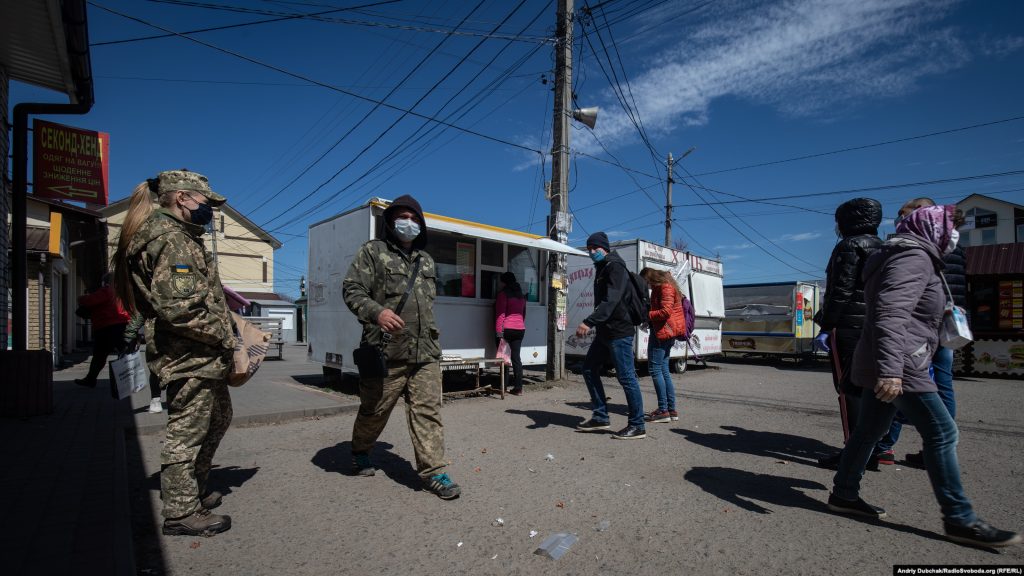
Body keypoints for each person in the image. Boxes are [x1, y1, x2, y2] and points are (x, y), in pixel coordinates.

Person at [827, 204, 1020, 548]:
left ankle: (844, 494)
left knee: (869, 431)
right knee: (943, 433)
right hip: (901, 363)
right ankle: (959, 519)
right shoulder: (912, 257)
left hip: (888, 358)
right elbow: (890, 312)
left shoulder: (903, 254)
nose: (954, 235)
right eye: (951, 227)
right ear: (933, 228)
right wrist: (891, 371)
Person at [113, 169, 236, 537]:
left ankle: (192, 490)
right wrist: (228, 337)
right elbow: (180, 310)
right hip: (189, 355)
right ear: (182, 198)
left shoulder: (180, 236)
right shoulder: (171, 239)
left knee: (218, 418)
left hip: (202, 354)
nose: (209, 210)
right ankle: (181, 512)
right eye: (205, 202)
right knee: (187, 431)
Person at [342, 194, 461, 500]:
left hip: (426, 351)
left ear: (421, 224)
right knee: (375, 410)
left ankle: (434, 472)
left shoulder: (427, 260)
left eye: (414, 218)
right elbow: (352, 289)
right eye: (402, 217)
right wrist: (377, 312)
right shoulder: (373, 252)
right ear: (391, 222)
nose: (408, 222)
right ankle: (360, 451)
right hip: (386, 351)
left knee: (428, 412)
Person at [875, 197, 964, 468]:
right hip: (943, 324)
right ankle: (933, 448)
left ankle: (891, 446)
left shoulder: (914, 250)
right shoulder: (950, 246)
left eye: (905, 214)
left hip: (918, 327)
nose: (899, 220)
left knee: (900, 384)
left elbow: (894, 308)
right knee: (942, 383)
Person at [812, 198, 884, 470]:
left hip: (849, 327)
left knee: (848, 390)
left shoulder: (849, 246)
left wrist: (826, 325)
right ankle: (873, 449)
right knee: (872, 390)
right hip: (875, 325)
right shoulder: (883, 246)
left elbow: (840, 290)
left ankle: (853, 452)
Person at [574, 231, 647, 439]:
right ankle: (600, 417)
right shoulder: (602, 267)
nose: (591, 252)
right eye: (588, 249)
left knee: (627, 378)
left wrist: (589, 321)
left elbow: (612, 300)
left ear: (604, 248)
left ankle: (637, 424)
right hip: (605, 332)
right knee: (589, 369)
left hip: (619, 332)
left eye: (594, 248)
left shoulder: (615, 267)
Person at [639, 267, 686, 423]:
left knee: (655, 369)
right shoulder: (668, 285)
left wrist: (647, 315)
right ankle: (671, 409)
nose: (649, 287)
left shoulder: (665, 287)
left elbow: (665, 312)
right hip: (667, 331)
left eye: (648, 283)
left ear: (650, 278)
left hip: (663, 332)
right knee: (664, 369)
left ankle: (663, 410)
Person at [74, 273, 131, 388]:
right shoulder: (123, 293)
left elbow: (89, 301)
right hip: (122, 325)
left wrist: (80, 298)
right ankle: (131, 379)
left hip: (107, 327)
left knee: (99, 355)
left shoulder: (107, 291)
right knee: (125, 353)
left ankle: (91, 379)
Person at [123, 312, 164, 413]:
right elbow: (141, 311)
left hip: (184, 338)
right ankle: (156, 399)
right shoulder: (154, 296)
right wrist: (129, 335)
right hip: (157, 337)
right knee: (156, 369)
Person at [495, 271, 526, 396]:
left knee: (504, 358)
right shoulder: (521, 295)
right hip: (520, 329)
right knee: (516, 359)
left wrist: (498, 332)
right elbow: (523, 314)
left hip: (507, 329)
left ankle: (504, 386)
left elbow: (500, 314)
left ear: (504, 282)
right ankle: (518, 388)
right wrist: (519, 324)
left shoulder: (503, 294)